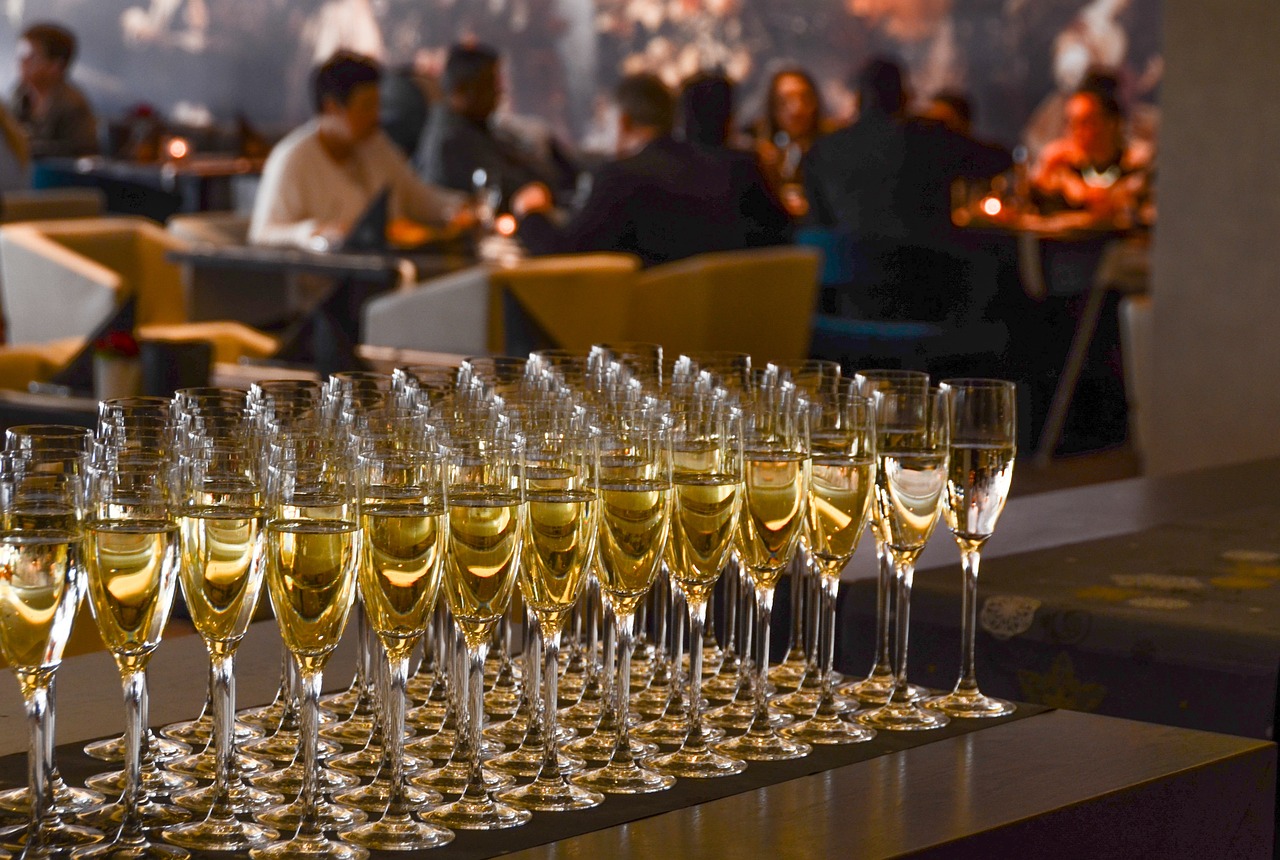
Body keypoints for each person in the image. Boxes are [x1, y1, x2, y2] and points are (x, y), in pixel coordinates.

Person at [803, 57, 1011, 321]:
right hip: (929, 302)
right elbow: (1001, 159)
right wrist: (948, 125)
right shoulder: (929, 136)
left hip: (847, 311)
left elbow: (818, 225)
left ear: (858, 98)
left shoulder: (823, 150)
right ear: (905, 96)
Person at [511, 73, 788, 268]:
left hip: (650, 329)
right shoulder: (737, 171)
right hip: (739, 322)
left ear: (623, 121)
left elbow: (565, 256)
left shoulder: (622, 178)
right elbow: (784, 240)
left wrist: (531, 212)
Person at [250, 51, 468, 249]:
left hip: (390, 267)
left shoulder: (375, 143)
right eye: (366, 106)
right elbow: (262, 235)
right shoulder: (293, 158)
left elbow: (416, 196)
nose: (376, 116)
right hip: (330, 276)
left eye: (377, 105)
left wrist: (462, 207)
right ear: (331, 107)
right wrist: (313, 232)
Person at [414, 43, 561, 205]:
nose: (499, 92)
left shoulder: (470, 125)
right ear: (461, 91)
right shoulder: (453, 141)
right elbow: (507, 188)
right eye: (490, 84)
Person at [678, 72, 791, 248]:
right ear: (729, 117)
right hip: (746, 263)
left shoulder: (670, 168)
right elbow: (780, 227)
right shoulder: (744, 167)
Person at [1031, 72, 1152, 222]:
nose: (1075, 131)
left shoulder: (1135, 164)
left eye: (1085, 123)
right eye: (1070, 122)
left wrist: (1088, 195)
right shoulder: (1061, 163)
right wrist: (1046, 167)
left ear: (1111, 123)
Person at [10, 22, 98, 158]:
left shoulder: (72, 105)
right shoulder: (19, 95)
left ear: (55, 66)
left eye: (31, 56)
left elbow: (80, 152)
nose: (23, 62)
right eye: (21, 55)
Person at [751, 67, 830, 206]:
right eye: (784, 100)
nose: (796, 109)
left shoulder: (833, 149)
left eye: (805, 98)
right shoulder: (759, 151)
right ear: (772, 106)